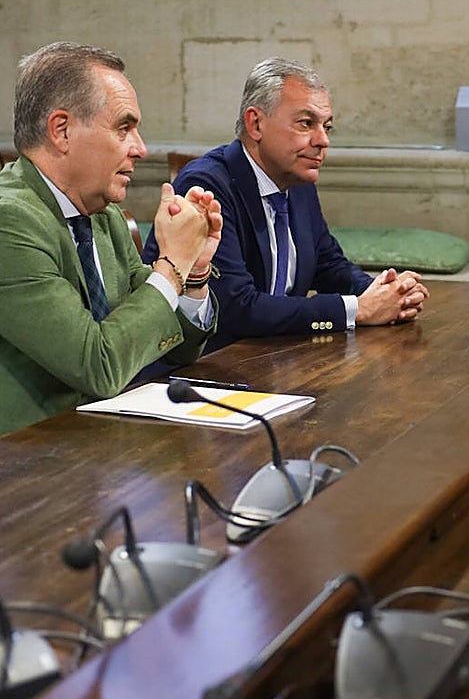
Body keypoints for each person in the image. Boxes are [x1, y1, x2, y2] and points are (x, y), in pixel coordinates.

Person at [0, 42, 221, 435]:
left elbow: (180, 347)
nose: (141, 148)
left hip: (107, 441)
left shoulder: (104, 216)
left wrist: (194, 270)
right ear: (62, 131)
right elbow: (98, 367)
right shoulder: (10, 221)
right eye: (124, 128)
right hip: (31, 457)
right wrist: (172, 265)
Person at [144, 57, 428, 352]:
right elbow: (236, 308)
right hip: (207, 364)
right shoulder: (207, 186)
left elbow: (328, 264)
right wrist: (357, 309)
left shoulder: (297, 182)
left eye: (327, 127)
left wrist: (386, 293)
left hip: (276, 357)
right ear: (256, 123)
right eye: (306, 124)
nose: (323, 140)